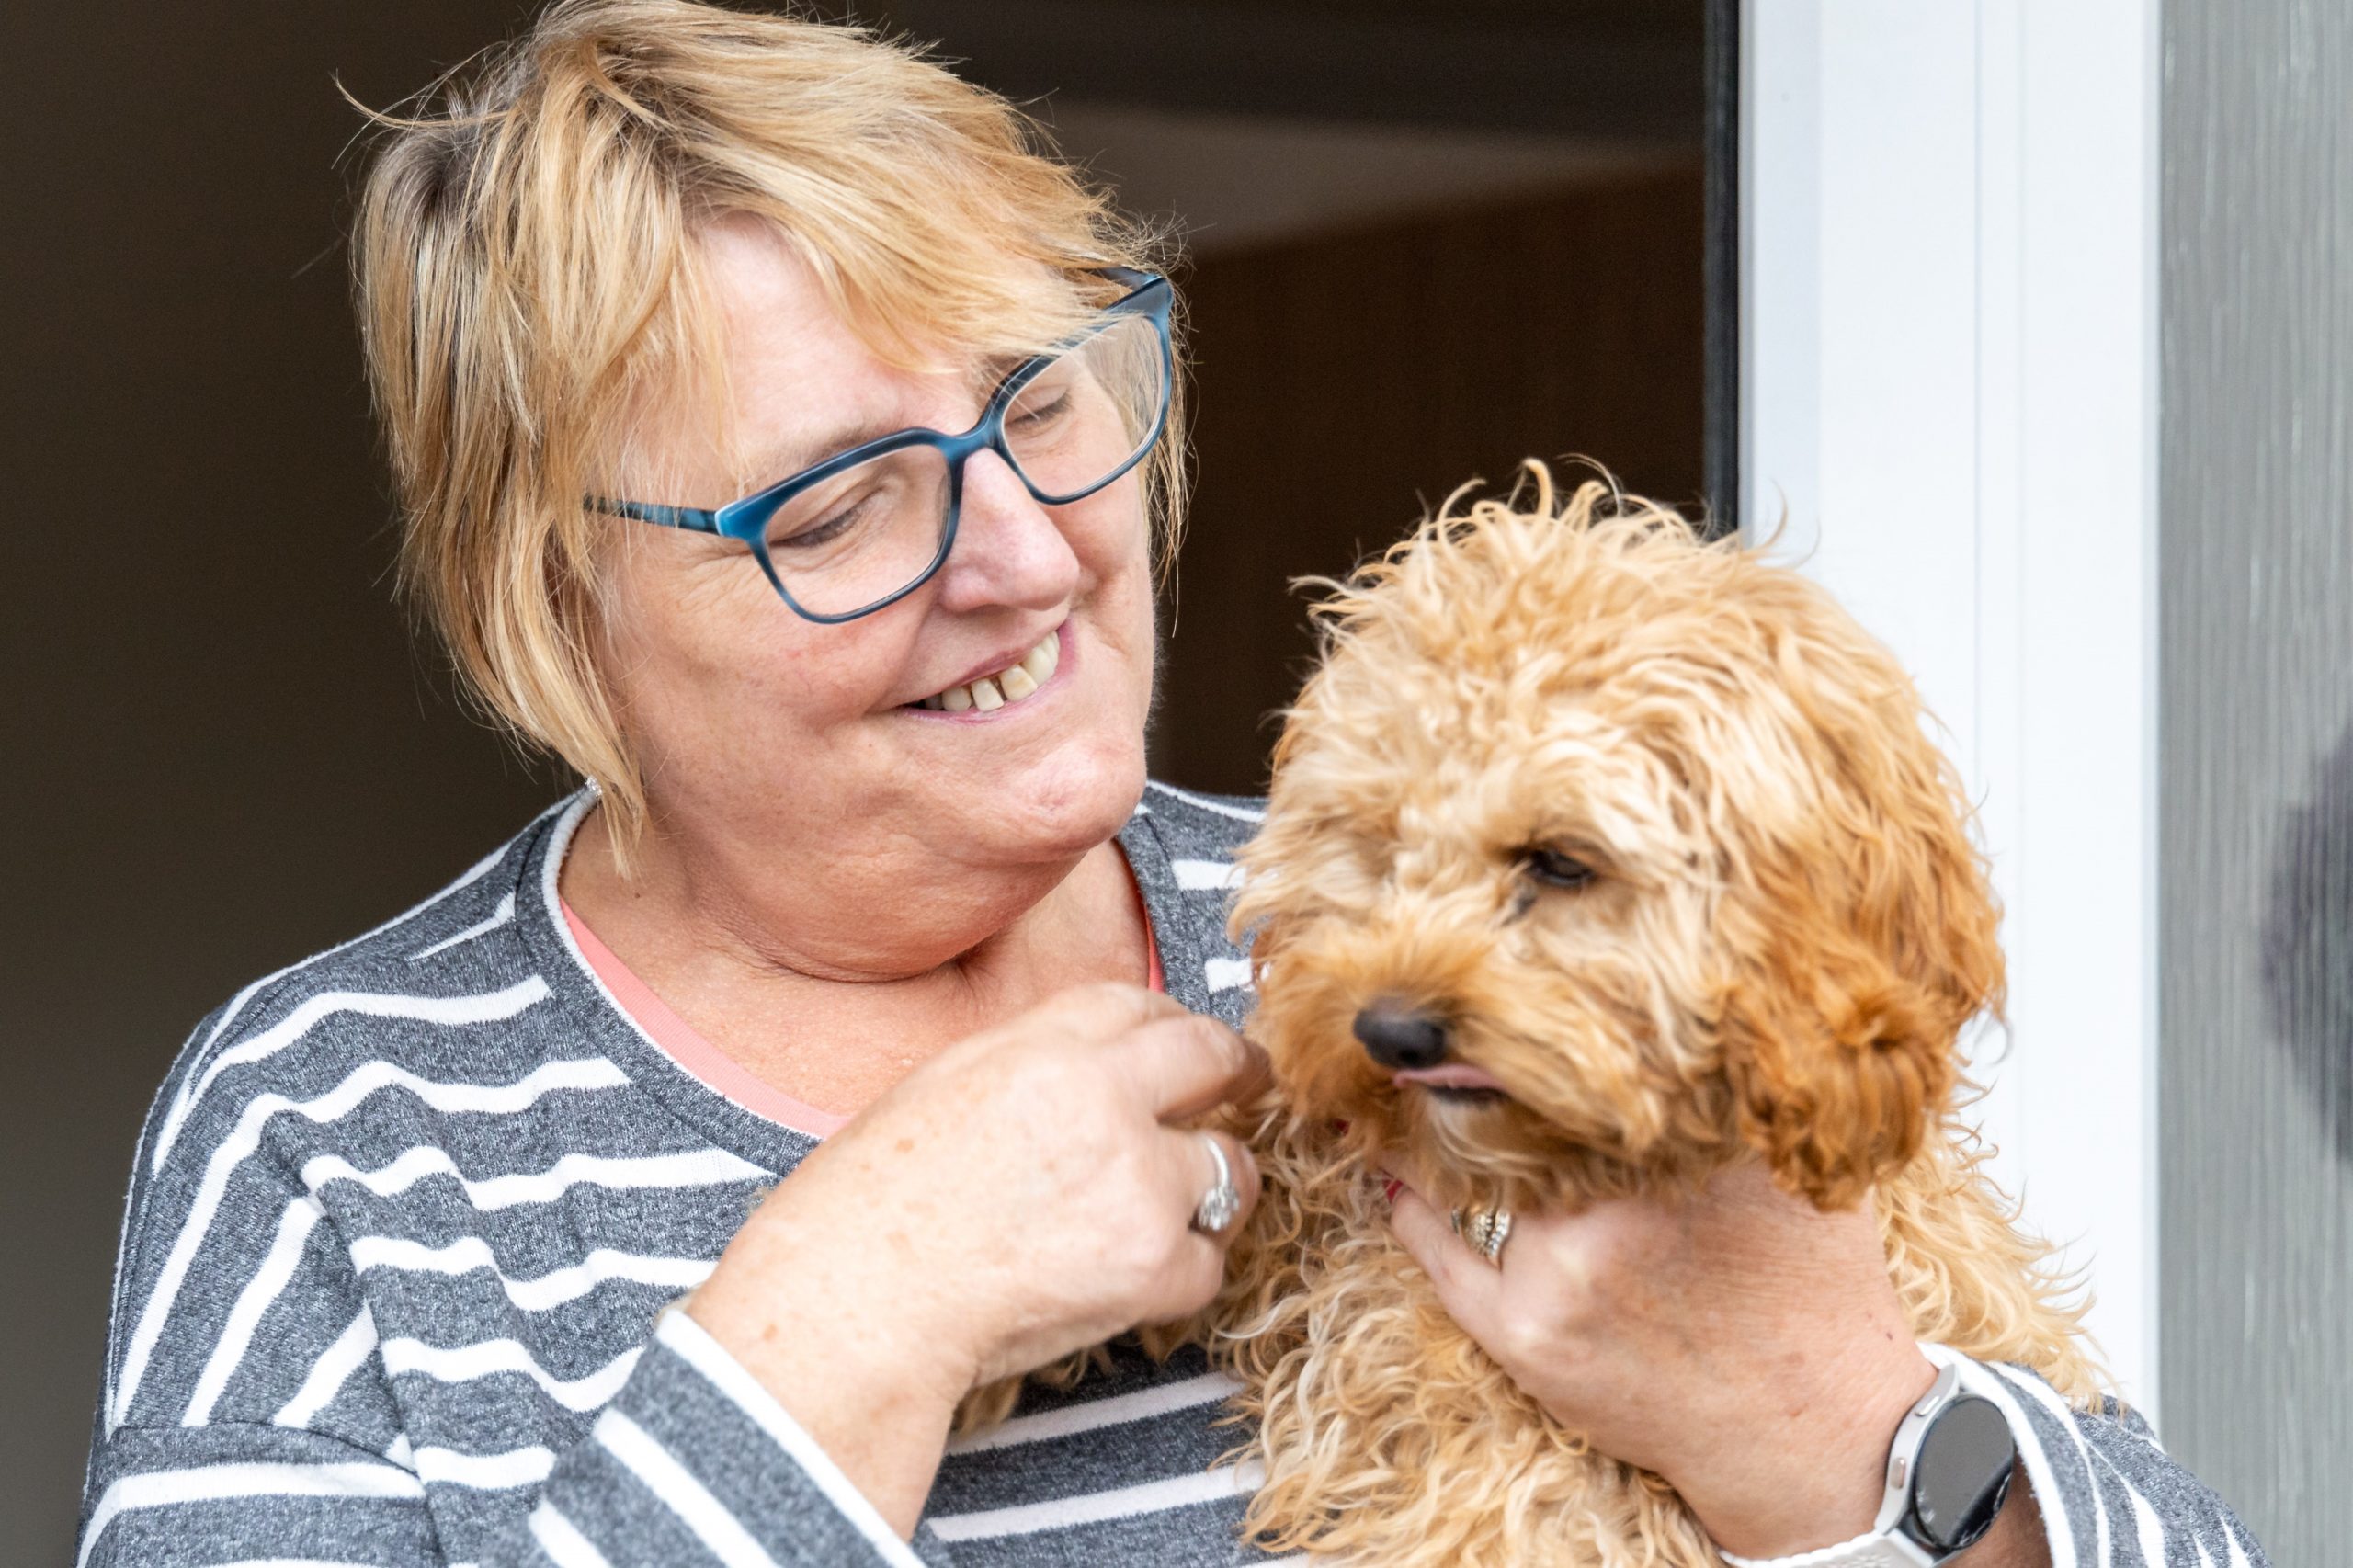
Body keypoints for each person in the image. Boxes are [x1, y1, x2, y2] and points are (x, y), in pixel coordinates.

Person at [78, 3, 2267, 1565]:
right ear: (552, 601)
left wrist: (1832, 1432)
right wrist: (837, 1328)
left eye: (1044, 401)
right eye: (838, 503)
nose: (1024, 554)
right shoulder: (340, 1126)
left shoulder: (1451, 957)